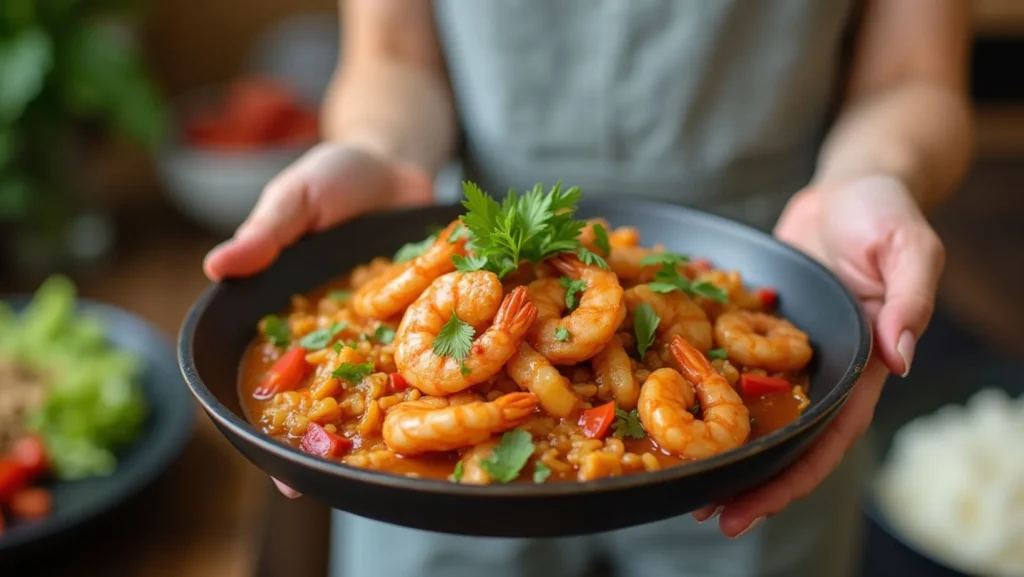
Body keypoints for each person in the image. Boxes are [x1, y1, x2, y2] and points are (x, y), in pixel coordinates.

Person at [204, 1, 973, 575]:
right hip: (459, 297)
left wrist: (876, 174)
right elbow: (391, 58)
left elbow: (914, 78)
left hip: (778, 251)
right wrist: (376, 149)